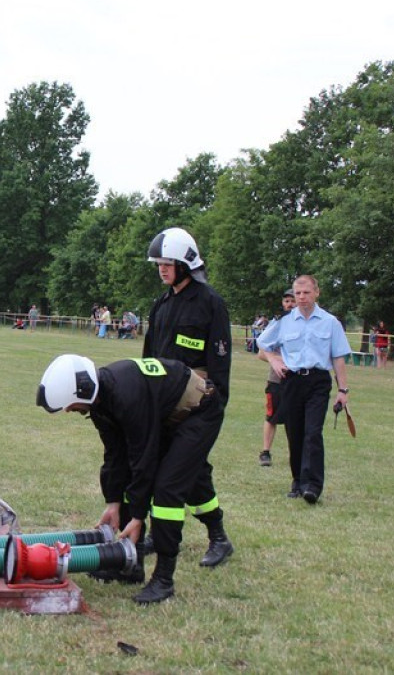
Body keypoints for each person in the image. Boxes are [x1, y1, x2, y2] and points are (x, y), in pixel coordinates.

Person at [37, 354, 221, 604]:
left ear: (84, 391)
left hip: (199, 411)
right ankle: (131, 567)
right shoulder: (102, 402)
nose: (69, 410)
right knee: (180, 479)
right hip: (168, 416)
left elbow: (143, 458)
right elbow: (116, 455)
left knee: (168, 489)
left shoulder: (127, 395)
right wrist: (113, 502)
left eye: (71, 405)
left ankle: (164, 579)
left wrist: (137, 516)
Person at [143, 227, 234, 568]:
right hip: (166, 406)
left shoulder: (210, 303)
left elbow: (220, 360)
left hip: (201, 407)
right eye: (159, 265)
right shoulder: (162, 305)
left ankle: (207, 538)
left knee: (175, 472)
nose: (162, 270)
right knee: (194, 473)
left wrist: (211, 398)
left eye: (168, 263)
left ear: (185, 264)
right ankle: (219, 537)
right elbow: (150, 358)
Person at [256, 275, 351, 504]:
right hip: (292, 382)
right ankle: (298, 481)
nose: (301, 297)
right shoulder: (284, 321)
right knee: (295, 433)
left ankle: (312, 486)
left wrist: (343, 390)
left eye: (306, 292)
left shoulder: (330, 322)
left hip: (318, 381)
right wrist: (273, 359)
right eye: (297, 293)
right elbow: (262, 343)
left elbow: (338, 357)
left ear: (316, 293)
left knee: (313, 432)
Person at [258, 288, 297, 467]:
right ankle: (265, 452)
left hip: (297, 381)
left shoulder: (305, 323)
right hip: (276, 380)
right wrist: (279, 360)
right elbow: (261, 353)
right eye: (287, 301)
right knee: (271, 417)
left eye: (293, 300)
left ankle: (296, 453)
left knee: (295, 420)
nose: (290, 304)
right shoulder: (277, 324)